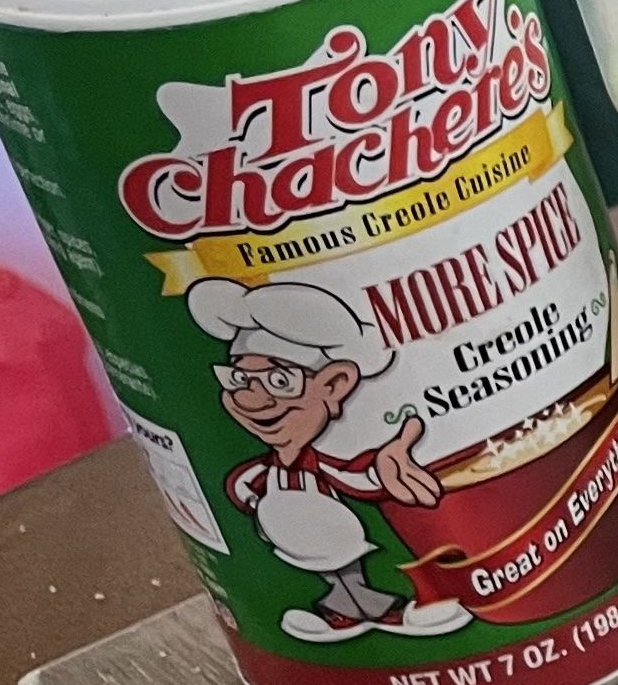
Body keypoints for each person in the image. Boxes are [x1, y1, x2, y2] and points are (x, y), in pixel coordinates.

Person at [183, 274, 469, 641]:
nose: (252, 399)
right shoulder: (262, 471)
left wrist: (384, 466)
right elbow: (239, 487)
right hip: (294, 547)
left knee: (353, 566)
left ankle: (394, 609)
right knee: (333, 577)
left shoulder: (321, 465)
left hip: (339, 537)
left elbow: (352, 478)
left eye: (280, 381)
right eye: (239, 380)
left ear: (334, 384)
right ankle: (342, 614)